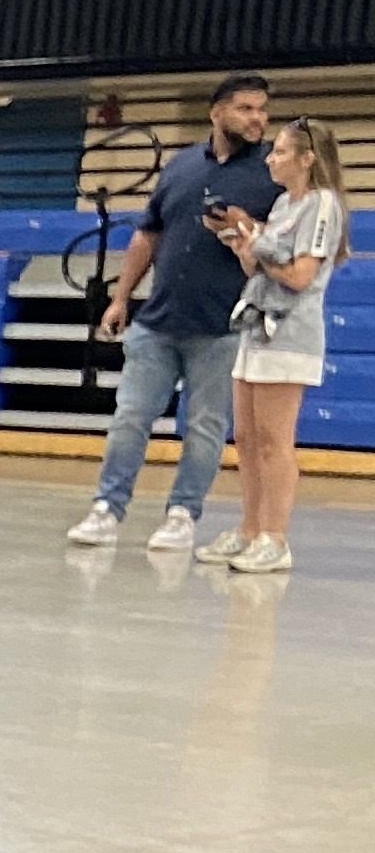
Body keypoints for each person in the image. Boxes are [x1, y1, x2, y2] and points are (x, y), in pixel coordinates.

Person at [69, 74, 270, 553]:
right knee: (130, 417)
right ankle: (106, 508)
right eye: (245, 108)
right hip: (158, 322)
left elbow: (282, 245)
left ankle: (182, 514)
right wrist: (121, 297)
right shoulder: (181, 166)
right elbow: (148, 233)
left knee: (204, 427)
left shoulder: (270, 173)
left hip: (222, 327)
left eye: (262, 109)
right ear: (216, 112)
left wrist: (245, 225)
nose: (257, 118)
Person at [200, 116, 346, 573]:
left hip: (289, 332)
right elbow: (260, 269)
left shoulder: (322, 204)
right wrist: (245, 247)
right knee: (246, 437)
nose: (270, 160)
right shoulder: (283, 204)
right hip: (256, 326)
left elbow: (300, 276)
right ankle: (249, 529)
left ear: (307, 159)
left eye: (280, 152)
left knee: (273, 440)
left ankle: (275, 538)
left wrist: (259, 241)